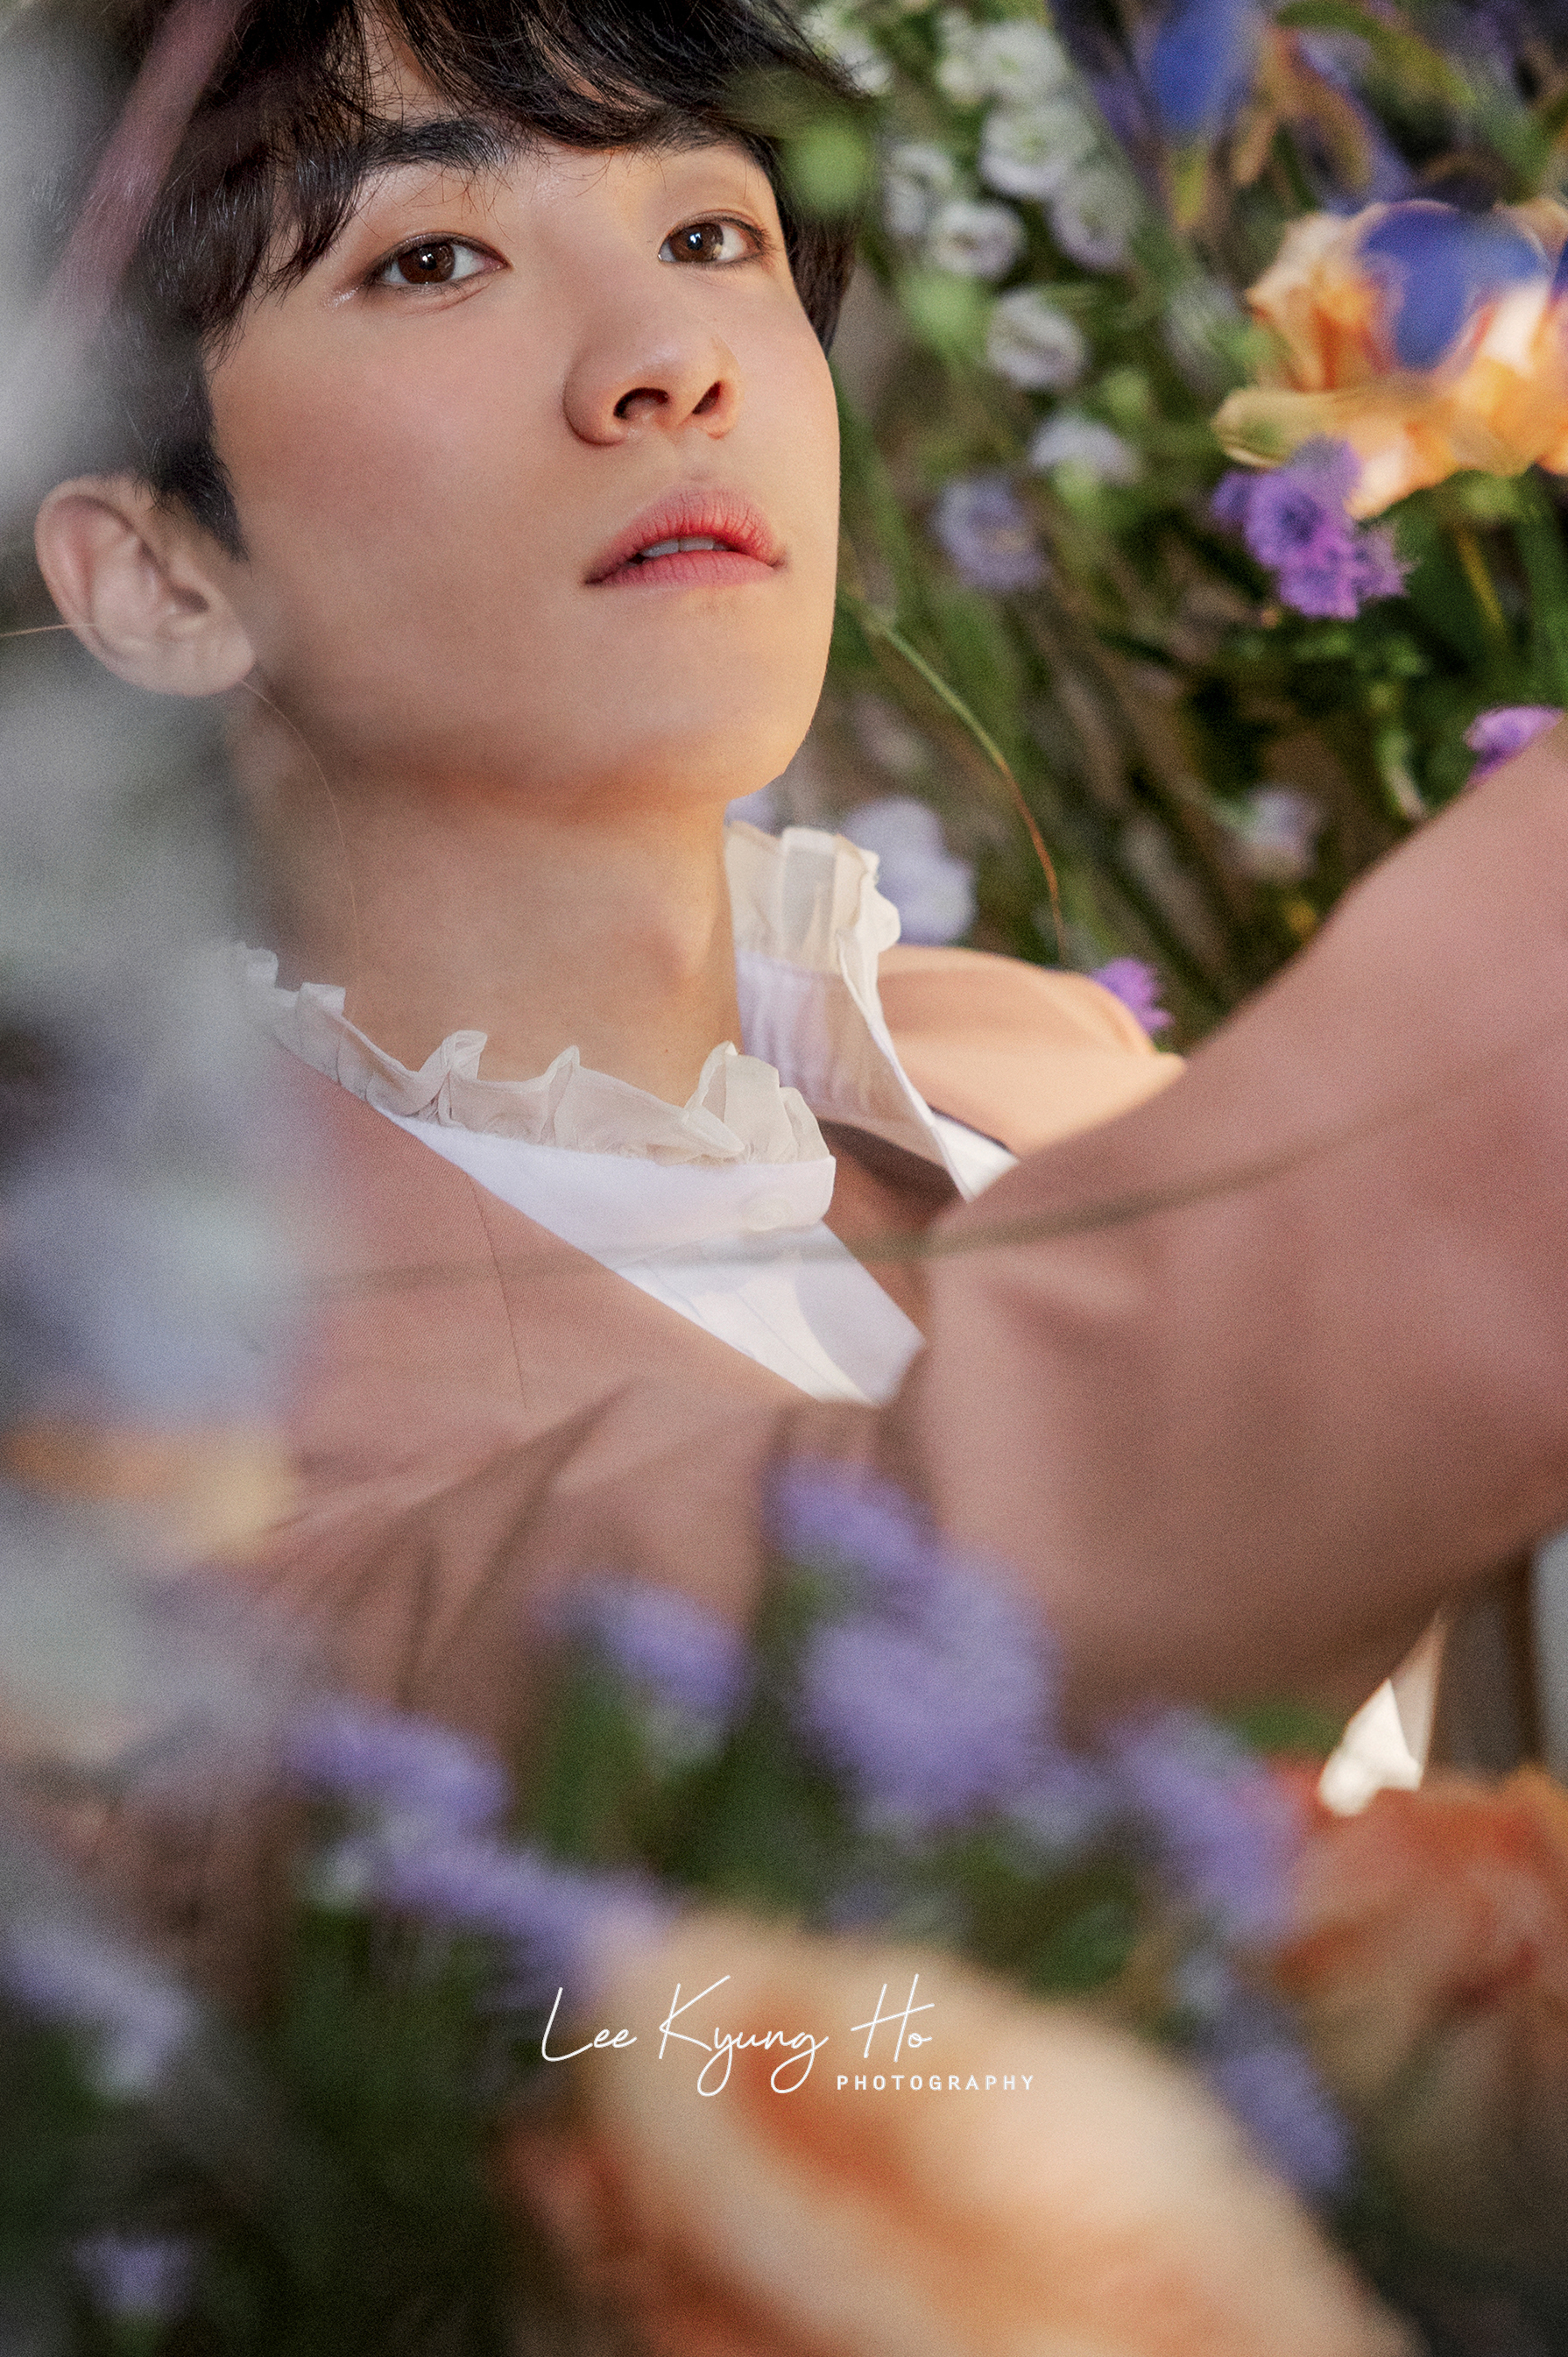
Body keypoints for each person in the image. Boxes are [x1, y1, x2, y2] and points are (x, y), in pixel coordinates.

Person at [14, 0, 1568, 1989]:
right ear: (158, 576)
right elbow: (868, 1606)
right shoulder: (143, 1378)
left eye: (710, 235)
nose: (670, 360)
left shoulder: (1027, 1065)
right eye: (433, 258)